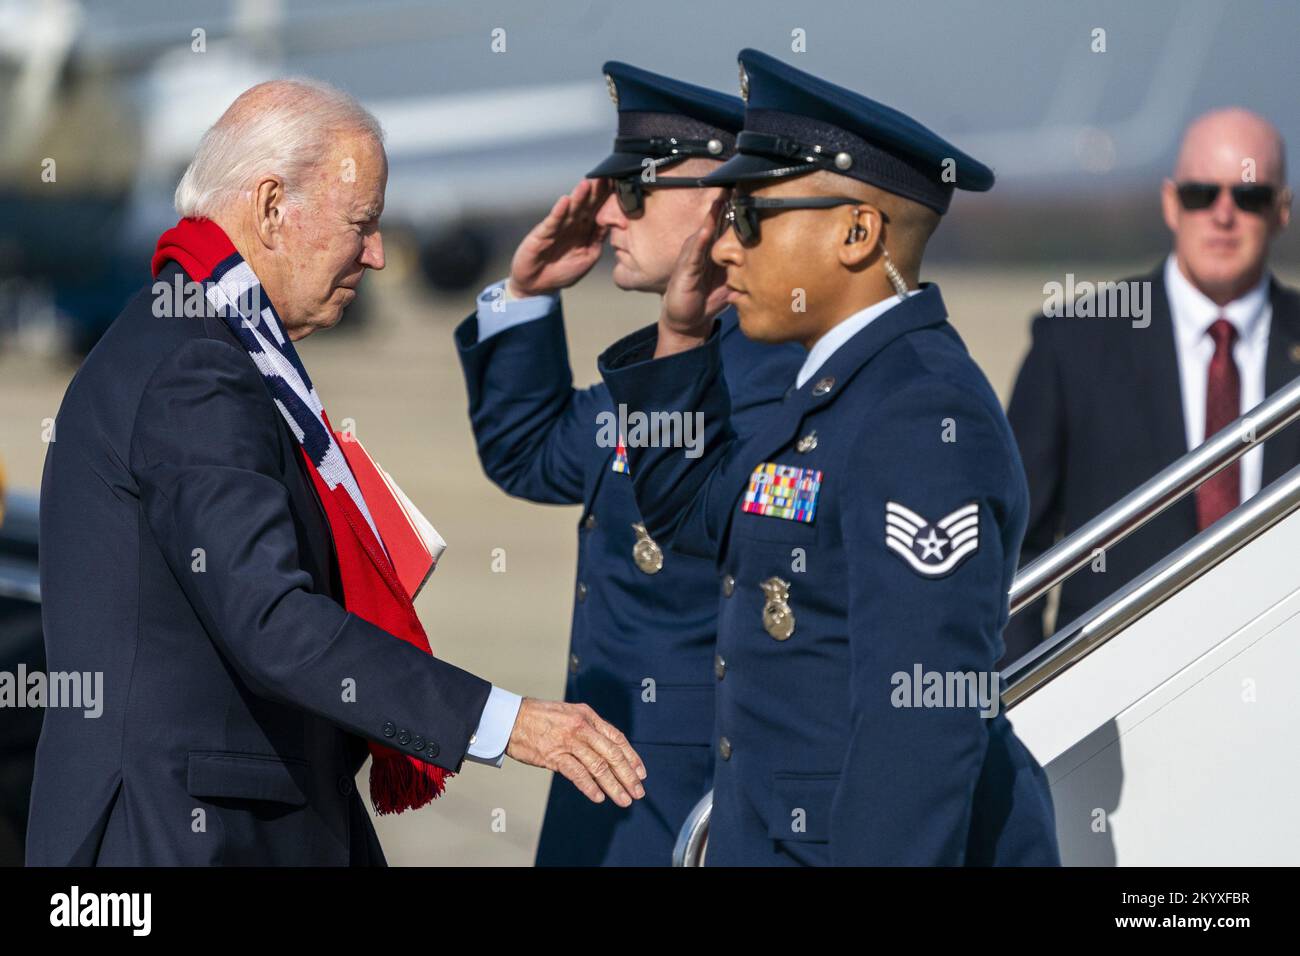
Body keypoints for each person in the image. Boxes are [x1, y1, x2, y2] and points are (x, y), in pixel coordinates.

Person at [27, 79, 645, 867]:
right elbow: (272, 619)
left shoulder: (205, 341)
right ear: (271, 206)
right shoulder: (196, 366)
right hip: (183, 839)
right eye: (362, 222)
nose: (379, 253)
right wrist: (503, 721)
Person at [596, 49, 1060, 866]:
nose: (723, 248)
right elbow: (685, 515)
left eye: (747, 217)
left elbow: (918, 727)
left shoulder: (918, 415)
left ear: (855, 232)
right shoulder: (836, 391)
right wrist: (680, 335)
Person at [454, 61, 801, 865]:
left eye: (636, 189)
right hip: (608, 807)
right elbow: (530, 453)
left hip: (699, 818)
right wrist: (527, 294)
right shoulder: (661, 373)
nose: (608, 210)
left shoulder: (777, 383)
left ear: (721, 198)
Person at [1004, 108, 1299, 663]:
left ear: (1281, 210)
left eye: (1249, 196)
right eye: (1200, 194)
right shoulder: (1074, 344)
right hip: (1110, 710)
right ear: (1170, 203)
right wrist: (1032, 705)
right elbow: (1009, 548)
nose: (1223, 215)